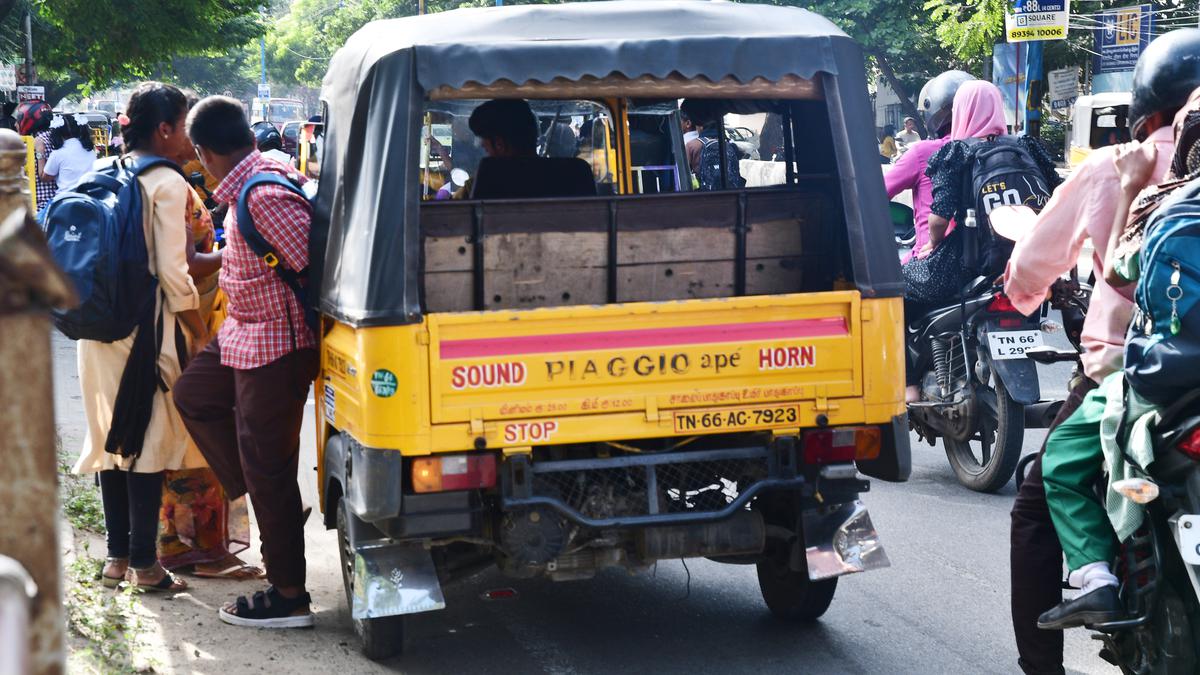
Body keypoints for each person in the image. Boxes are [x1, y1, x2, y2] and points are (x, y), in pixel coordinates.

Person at [1000, 29, 1200, 673]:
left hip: (1133, 373)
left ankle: (1047, 658)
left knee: (1039, 498)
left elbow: (1042, 267)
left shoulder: (1121, 170)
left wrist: (1027, 290)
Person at [175, 95, 317, 629]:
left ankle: (288, 595)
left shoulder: (261, 196)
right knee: (195, 396)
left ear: (205, 151)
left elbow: (311, 265)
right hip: (243, 330)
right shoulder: (260, 172)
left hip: (275, 342)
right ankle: (266, 498)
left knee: (269, 463)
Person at [71, 82, 208, 594]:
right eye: (186, 122)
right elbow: (175, 277)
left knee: (111, 439)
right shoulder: (168, 184)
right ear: (166, 129)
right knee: (147, 442)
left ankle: (116, 558)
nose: (190, 135)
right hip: (146, 332)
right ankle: (147, 565)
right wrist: (199, 334)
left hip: (96, 328)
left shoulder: (104, 170)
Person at [900, 80, 1059, 402]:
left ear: (961, 112)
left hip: (967, 259)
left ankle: (909, 384)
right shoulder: (1026, 146)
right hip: (1029, 259)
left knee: (898, 289)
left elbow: (940, 218)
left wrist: (932, 243)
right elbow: (1058, 193)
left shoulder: (956, 152)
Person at [886, 71, 972, 265]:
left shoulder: (924, 152)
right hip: (986, 260)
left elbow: (876, 196)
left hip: (931, 262)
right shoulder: (993, 150)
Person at [679, 99, 744, 191]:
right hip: (730, 194)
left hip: (704, 195)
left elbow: (684, 175)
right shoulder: (731, 145)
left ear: (701, 126)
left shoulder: (692, 145)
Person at [14, 100, 56, 210]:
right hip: (56, 205)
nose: (15, 125)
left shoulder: (29, 144)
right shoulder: (57, 139)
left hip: (37, 208)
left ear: (27, 120)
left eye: (18, 120)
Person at [42, 113, 97, 191]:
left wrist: (40, 153)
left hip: (67, 197)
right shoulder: (90, 151)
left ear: (57, 132)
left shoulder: (58, 153)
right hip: (89, 196)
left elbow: (45, 178)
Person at [469, 98, 539, 159]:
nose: (482, 145)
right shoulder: (548, 171)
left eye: (484, 138)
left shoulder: (490, 172)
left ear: (499, 144)